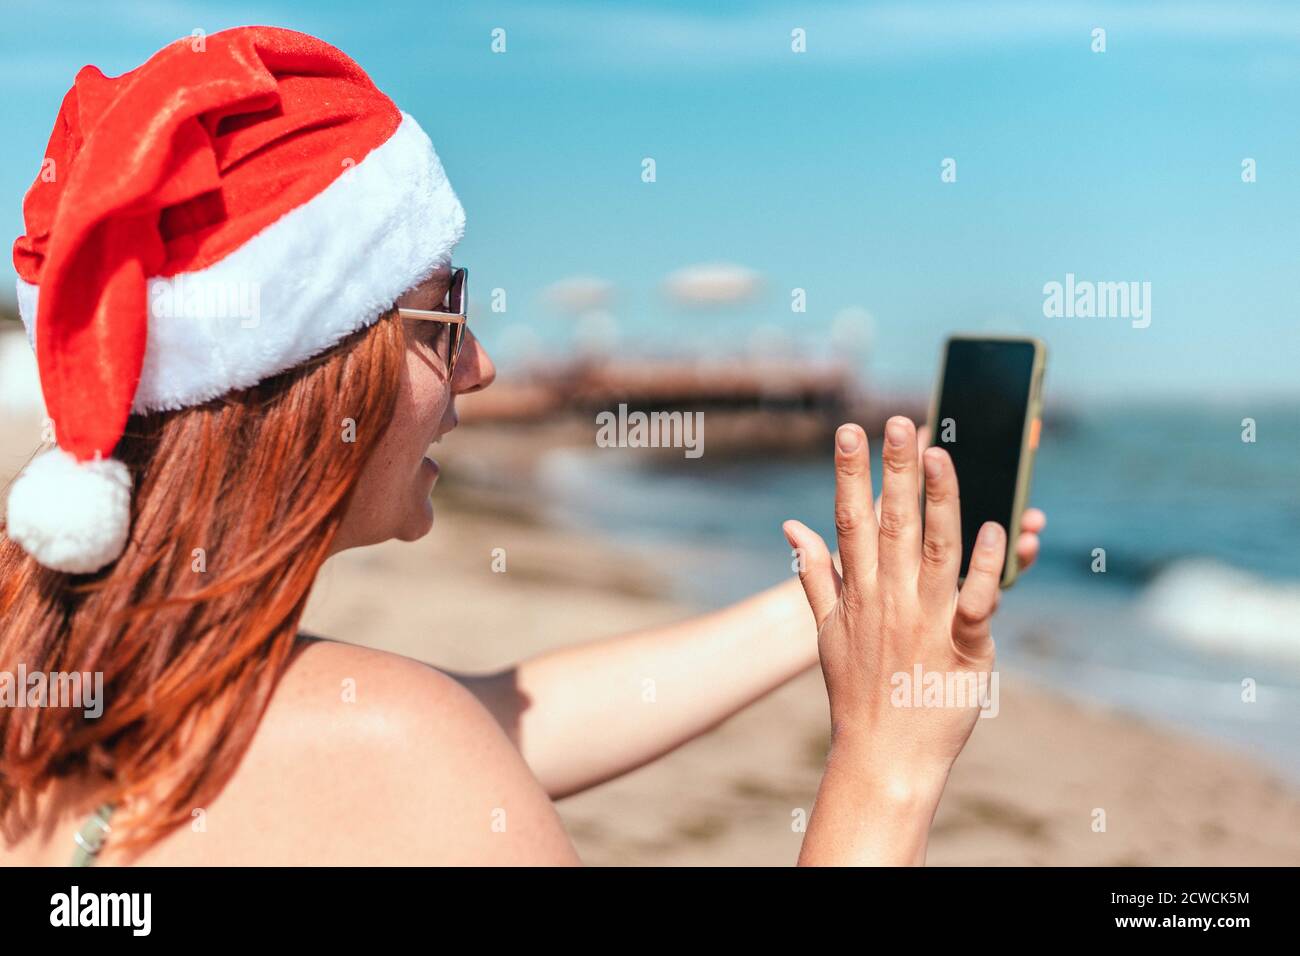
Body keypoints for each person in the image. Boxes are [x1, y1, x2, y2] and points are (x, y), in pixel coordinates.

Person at [0, 26, 1045, 866]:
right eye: (444, 317)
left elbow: (502, 715)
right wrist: (888, 753)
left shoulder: (59, 671)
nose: (482, 366)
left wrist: (857, 601)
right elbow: (438, 740)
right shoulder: (398, 748)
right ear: (308, 375)